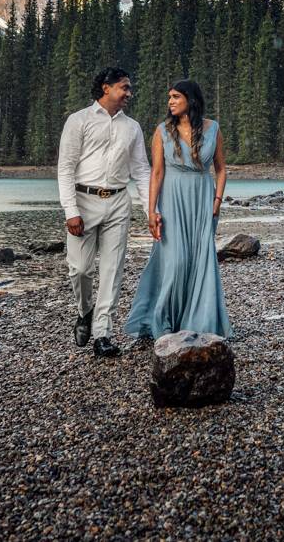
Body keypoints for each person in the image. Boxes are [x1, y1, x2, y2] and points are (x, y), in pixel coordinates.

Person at [123, 78, 231, 341]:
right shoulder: (162, 131)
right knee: (176, 261)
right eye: (169, 97)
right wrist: (152, 211)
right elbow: (156, 173)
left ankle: (199, 321)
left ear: (190, 100)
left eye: (175, 97)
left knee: (201, 260)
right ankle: (163, 321)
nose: (170, 102)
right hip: (172, 200)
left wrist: (217, 202)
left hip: (203, 201)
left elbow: (220, 169)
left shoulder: (212, 128)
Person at [55, 67, 150, 359]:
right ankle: (85, 311)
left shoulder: (132, 127)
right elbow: (66, 168)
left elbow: (141, 171)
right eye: (124, 87)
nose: (129, 94)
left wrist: (149, 210)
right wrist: (71, 210)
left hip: (119, 202)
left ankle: (103, 334)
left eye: (129, 88)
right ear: (106, 88)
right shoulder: (78, 120)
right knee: (80, 269)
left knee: (112, 270)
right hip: (84, 201)